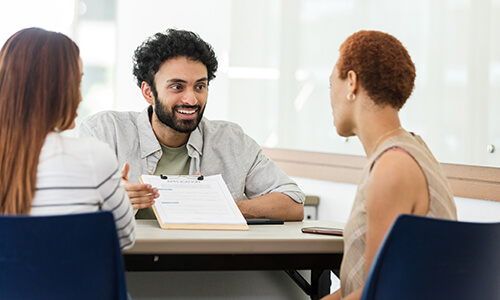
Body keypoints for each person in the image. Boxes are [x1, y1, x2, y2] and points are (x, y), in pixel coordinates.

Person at [79, 29, 305, 220]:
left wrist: (224, 209)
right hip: (129, 266)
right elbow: (66, 204)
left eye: (200, 86)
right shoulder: (104, 132)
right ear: (149, 92)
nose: (192, 100)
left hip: (207, 267)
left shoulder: (231, 141)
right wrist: (109, 199)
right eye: (177, 87)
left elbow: (292, 203)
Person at [323, 30, 457, 300]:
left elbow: (376, 295)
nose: (330, 98)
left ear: (352, 83)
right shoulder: (411, 151)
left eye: (330, 85)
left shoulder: (392, 167)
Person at [0, 27, 135, 250]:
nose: (80, 97)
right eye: (76, 84)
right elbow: (125, 238)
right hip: (75, 285)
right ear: (55, 90)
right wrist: (112, 194)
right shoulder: (94, 157)